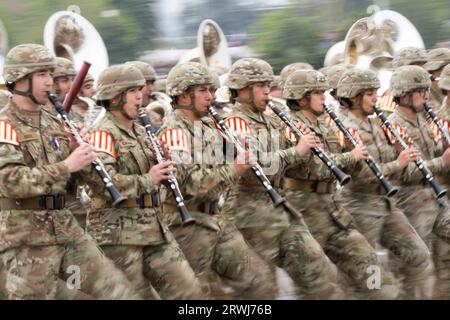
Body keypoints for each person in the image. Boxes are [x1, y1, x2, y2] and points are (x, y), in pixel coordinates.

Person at [0, 43, 139, 300]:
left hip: (66, 227)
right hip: (26, 237)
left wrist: (82, 158)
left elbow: (77, 180)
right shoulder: (4, 125)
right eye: (42, 75)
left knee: (119, 293)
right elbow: (11, 182)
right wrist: (67, 164)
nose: (50, 82)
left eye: (50, 75)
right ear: (19, 79)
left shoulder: (55, 121)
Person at [223, 58, 345, 299]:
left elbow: (292, 161)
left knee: (320, 273)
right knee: (263, 290)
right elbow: (253, 165)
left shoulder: (271, 119)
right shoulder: (234, 123)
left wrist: (310, 146)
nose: (268, 90)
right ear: (243, 89)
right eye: (261, 85)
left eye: (268, 84)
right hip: (249, 213)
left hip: (280, 206)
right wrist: (295, 151)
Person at [84, 64, 207, 300]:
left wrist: (167, 162)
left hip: (153, 227)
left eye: (140, 90)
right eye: (133, 91)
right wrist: (149, 179)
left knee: (189, 291)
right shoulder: (103, 134)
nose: (141, 96)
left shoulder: (142, 132)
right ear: (115, 96)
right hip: (117, 233)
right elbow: (103, 183)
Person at [159, 61, 277, 299]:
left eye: (212, 90)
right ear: (183, 95)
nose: (211, 97)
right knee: (197, 294)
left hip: (216, 218)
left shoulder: (208, 126)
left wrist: (242, 148)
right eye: (203, 90)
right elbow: (189, 183)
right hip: (186, 224)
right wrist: (235, 168)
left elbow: (231, 157)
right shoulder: (174, 133)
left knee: (260, 281)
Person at [335, 68, 432, 299]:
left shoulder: (375, 124)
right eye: (369, 94)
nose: (376, 99)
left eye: (375, 93)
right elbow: (363, 174)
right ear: (354, 96)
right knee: (370, 277)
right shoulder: (346, 129)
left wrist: (402, 153)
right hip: (360, 207)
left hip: (385, 204)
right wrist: (398, 163)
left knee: (417, 254)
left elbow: (388, 160)